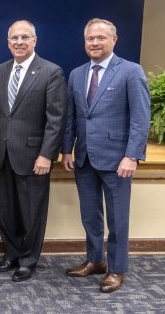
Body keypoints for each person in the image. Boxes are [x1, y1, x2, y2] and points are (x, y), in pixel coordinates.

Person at [62, 18, 150, 293]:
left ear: (114, 40)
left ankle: (116, 268)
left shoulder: (130, 71)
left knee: (118, 217)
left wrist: (132, 155)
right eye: (90, 38)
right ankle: (95, 260)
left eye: (100, 38)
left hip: (117, 160)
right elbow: (72, 117)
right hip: (84, 157)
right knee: (90, 215)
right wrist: (67, 149)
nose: (94, 43)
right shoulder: (77, 74)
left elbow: (140, 117)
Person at [0, 20, 67, 282]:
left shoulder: (51, 72)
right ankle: (11, 254)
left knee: (32, 212)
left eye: (24, 37)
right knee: (6, 209)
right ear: (8, 42)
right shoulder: (0, 70)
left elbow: (56, 119)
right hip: (4, 153)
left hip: (34, 157)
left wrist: (47, 154)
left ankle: (28, 259)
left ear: (35, 41)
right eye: (14, 38)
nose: (19, 42)